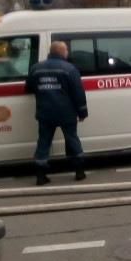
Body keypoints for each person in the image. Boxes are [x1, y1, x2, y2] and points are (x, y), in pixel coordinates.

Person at [25, 40, 88, 185]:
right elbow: (78, 93)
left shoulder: (35, 68)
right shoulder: (69, 69)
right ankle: (79, 171)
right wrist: (82, 112)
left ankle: (41, 175)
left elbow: (28, 88)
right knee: (72, 139)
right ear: (61, 52)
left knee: (44, 142)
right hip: (66, 112)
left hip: (45, 112)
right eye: (66, 50)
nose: (67, 52)